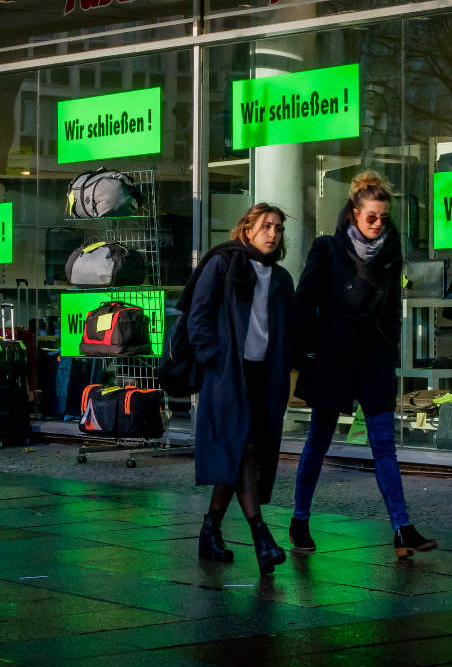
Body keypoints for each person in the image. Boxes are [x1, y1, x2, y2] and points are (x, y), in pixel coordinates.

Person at [291, 172, 436, 559]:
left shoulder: (390, 253)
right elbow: (303, 304)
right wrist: (306, 353)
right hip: (333, 358)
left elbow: (391, 309)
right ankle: (299, 519)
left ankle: (402, 529)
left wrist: (390, 350)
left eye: (383, 218)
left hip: (373, 360)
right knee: (318, 441)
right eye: (371, 216)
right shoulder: (327, 249)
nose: (377, 224)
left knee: (384, 445)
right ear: (354, 213)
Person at [186, 203, 294, 575]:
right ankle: (261, 538)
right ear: (247, 229)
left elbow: (288, 329)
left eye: (278, 228)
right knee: (243, 448)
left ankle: (210, 529)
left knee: (244, 453)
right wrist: (214, 358)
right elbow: (198, 314)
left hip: (265, 376)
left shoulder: (280, 278)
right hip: (228, 374)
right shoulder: (224, 264)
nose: (273, 234)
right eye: (266, 226)